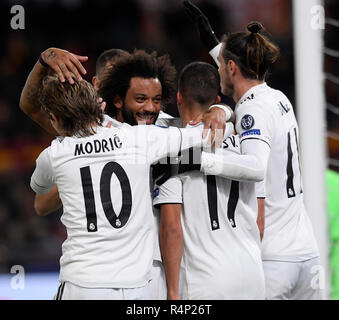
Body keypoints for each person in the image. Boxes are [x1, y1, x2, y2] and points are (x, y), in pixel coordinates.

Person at [20, 46, 231, 299]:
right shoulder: (106, 132)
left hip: (157, 268)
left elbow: (213, 131)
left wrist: (223, 110)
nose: (150, 107)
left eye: (155, 99)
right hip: (127, 273)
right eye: (139, 98)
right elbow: (42, 203)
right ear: (109, 93)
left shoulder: (162, 128)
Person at [185, 3, 321, 299]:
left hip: (274, 258)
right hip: (306, 253)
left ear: (231, 67)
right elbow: (239, 76)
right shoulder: (278, 97)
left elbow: (255, 166)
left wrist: (199, 160)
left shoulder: (251, 110)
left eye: (221, 65)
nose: (218, 69)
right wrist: (211, 42)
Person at [152, 61, 265, 300]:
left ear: (179, 97)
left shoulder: (173, 146)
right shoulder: (246, 142)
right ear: (215, 100)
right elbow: (260, 221)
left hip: (204, 280)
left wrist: (172, 292)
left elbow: (171, 227)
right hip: (252, 273)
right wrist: (225, 110)